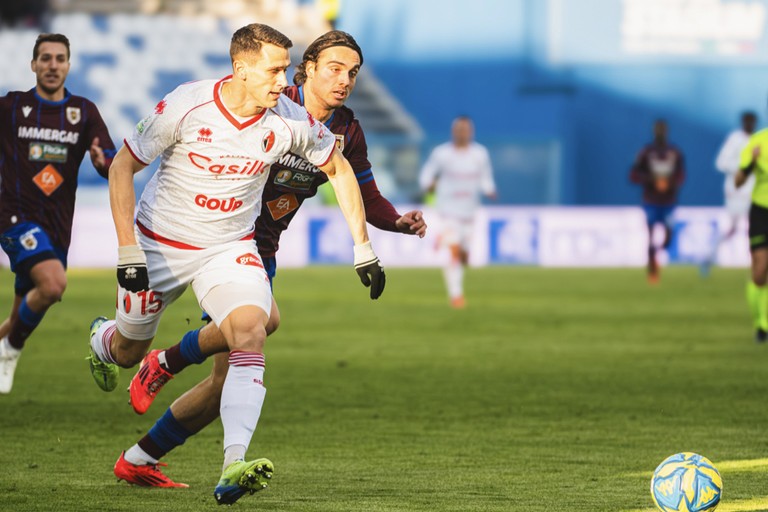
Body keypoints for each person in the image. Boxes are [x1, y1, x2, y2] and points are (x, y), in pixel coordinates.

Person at [84, 24, 386, 505]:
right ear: (240, 68)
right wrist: (127, 250)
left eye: (284, 69)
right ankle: (106, 340)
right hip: (160, 245)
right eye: (273, 70)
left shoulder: (290, 119)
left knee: (252, 329)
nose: (280, 80)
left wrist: (363, 247)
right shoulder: (188, 103)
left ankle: (234, 463)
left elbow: (339, 168)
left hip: (229, 248)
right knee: (126, 350)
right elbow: (123, 166)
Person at [0, 33, 115, 394]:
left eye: (59, 59)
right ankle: (10, 352)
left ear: (68, 65)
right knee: (53, 284)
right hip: (15, 217)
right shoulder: (12, 107)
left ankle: (7, 341)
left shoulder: (82, 112)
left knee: (18, 317)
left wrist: (103, 161)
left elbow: (110, 161)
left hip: (56, 229)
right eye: (45, 58)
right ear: (33, 64)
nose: (52, 65)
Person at [418, 115, 496, 308]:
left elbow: (485, 177)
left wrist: (489, 189)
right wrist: (428, 184)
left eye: (465, 129)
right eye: (459, 129)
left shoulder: (480, 154)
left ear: (471, 131)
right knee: (453, 252)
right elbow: (426, 174)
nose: (462, 132)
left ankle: (459, 250)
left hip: (469, 212)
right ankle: (456, 295)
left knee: (463, 255)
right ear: (453, 131)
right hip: (448, 211)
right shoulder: (441, 154)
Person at [700, 111, 758, 276]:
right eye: (747, 121)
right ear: (742, 122)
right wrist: (743, 167)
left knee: (756, 229)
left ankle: (756, 264)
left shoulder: (757, 140)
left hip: (754, 192)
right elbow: (720, 163)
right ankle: (708, 257)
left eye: (752, 121)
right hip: (736, 192)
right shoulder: (734, 139)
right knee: (732, 228)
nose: (749, 124)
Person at [629, 119, 685, 284]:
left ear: (667, 131)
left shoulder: (675, 152)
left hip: (668, 201)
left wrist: (670, 184)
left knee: (668, 236)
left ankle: (657, 254)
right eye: (658, 130)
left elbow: (681, 175)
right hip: (650, 200)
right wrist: (651, 181)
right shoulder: (646, 152)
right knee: (651, 235)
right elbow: (633, 175)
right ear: (654, 131)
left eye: (663, 129)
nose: (660, 132)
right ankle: (652, 270)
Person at [735, 119, 768, 342]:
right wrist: (750, 164)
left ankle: (764, 325)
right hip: (761, 212)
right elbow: (738, 181)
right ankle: (759, 322)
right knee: (760, 271)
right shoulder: (757, 141)